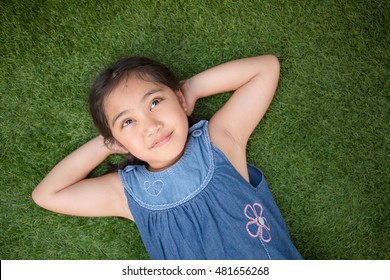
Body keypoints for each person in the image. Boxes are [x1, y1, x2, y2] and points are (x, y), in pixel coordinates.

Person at [32, 55, 302, 260]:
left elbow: (266, 68)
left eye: (155, 102)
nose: (150, 126)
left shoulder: (220, 141)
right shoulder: (128, 193)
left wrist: (191, 90)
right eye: (127, 122)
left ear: (179, 100)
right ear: (117, 140)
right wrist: (106, 145)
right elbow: (47, 194)